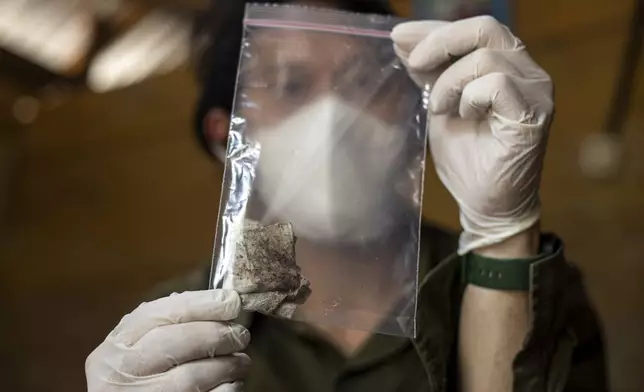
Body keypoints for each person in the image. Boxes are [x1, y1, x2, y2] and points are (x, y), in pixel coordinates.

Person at [85, 1, 608, 391]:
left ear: (414, 115)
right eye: (291, 86)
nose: (334, 119)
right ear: (228, 135)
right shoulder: (177, 330)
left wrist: (503, 232)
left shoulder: (527, 288)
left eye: (366, 84)